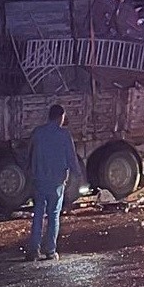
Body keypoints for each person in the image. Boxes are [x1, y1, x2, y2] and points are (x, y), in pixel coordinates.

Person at [27, 103, 84, 261]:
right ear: (61, 117)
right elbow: (71, 158)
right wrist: (78, 176)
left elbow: (28, 154)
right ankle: (50, 251)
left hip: (39, 180)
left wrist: (30, 172)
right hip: (57, 182)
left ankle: (34, 250)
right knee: (53, 215)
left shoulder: (38, 133)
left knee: (38, 214)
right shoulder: (64, 135)